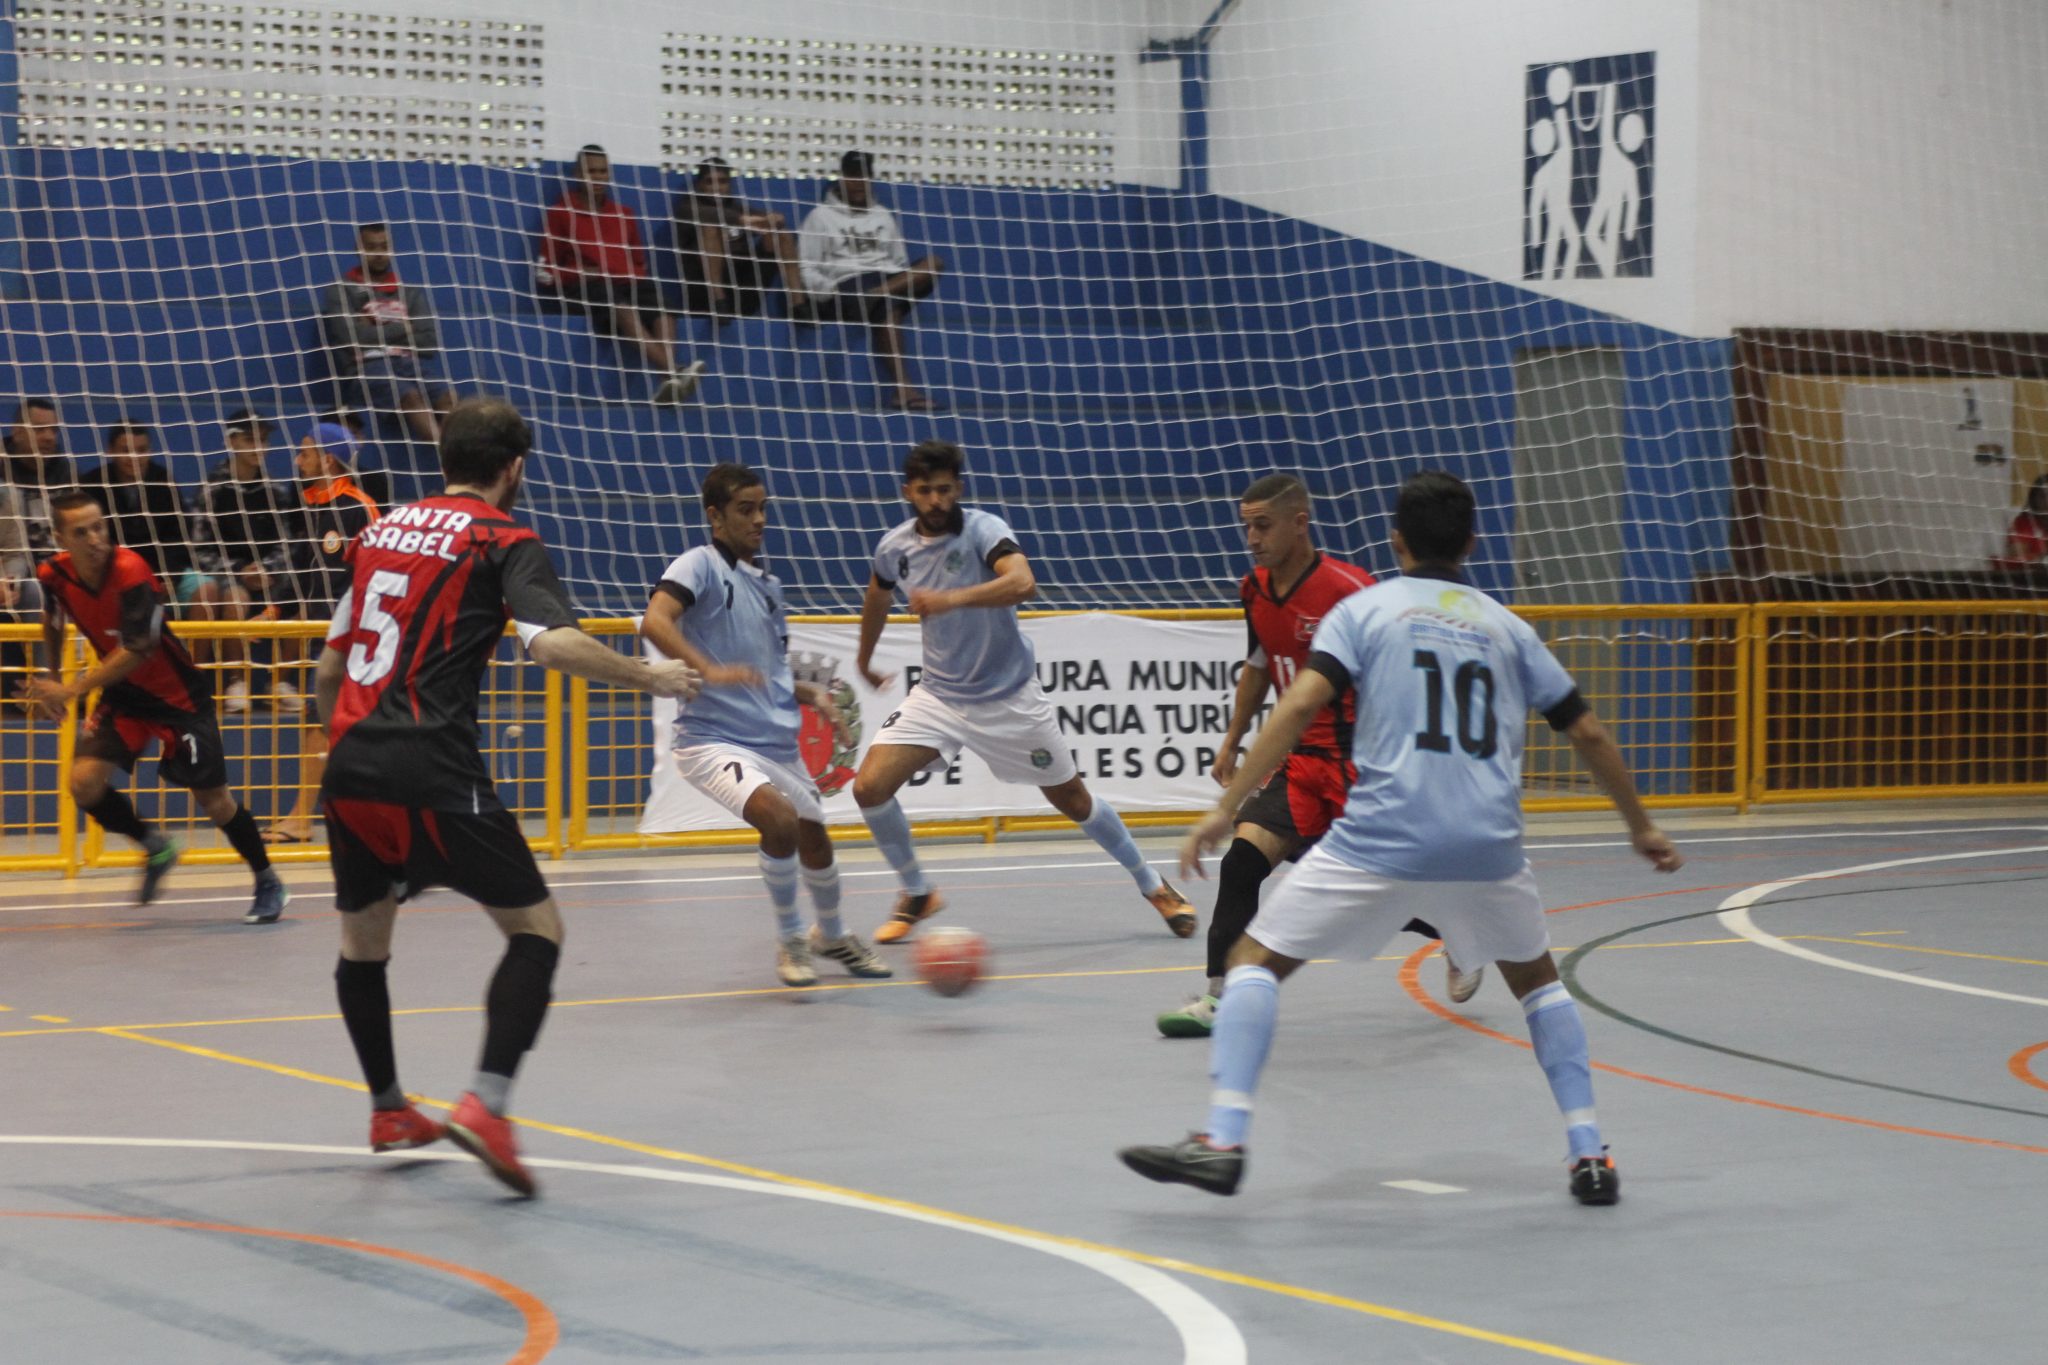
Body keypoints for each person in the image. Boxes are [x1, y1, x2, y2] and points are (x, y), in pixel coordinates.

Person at [1118, 472, 1683, 1206]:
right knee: (1538, 983)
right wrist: (1641, 825)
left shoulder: (1366, 609)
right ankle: (1590, 1151)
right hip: (1488, 847)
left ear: (1396, 540)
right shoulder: (1509, 628)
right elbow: (1589, 730)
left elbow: (1298, 705)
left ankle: (1223, 1139)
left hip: (1381, 834)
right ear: (1473, 544)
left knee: (1255, 959)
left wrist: (1225, 805)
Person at [313, 396, 700, 1195]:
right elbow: (552, 642)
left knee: (364, 945)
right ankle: (487, 1102)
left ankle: (389, 1107)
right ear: (513, 467)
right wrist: (647, 674)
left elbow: (327, 670)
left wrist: (349, 748)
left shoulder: (376, 534)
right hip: (434, 766)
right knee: (538, 931)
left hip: (349, 763)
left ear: (444, 458)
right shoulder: (504, 537)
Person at [1154, 474, 1478, 1041]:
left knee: (1367, 898)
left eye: (1263, 525)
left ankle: (1459, 930)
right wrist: (1232, 739)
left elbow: (1398, 674)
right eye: (1246, 526)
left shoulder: (1351, 590)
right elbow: (1258, 666)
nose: (1251, 537)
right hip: (1301, 763)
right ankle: (1217, 998)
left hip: (1362, 766)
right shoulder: (1254, 589)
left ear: (1300, 522)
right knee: (1242, 863)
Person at [853, 440, 1197, 944]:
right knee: (869, 787)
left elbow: (1022, 582)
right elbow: (877, 596)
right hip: (940, 697)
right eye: (925, 491)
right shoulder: (894, 547)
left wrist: (951, 599)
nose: (935, 501)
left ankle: (1153, 884)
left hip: (1009, 698)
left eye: (945, 490)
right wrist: (863, 660)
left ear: (959, 489)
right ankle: (917, 891)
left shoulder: (983, 530)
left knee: (1073, 799)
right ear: (909, 491)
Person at [641, 463, 890, 986]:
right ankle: (792, 939)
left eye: (763, 509)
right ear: (715, 516)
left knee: (814, 836)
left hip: (775, 742)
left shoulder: (770, 585)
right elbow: (655, 621)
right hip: (711, 740)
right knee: (777, 821)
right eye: (744, 510)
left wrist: (810, 694)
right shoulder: (699, 565)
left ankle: (833, 934)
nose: (758, 519)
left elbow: (770, 670)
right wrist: (707, 670)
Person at [19, 490, 288, 922]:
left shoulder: (131, 570)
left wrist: (69, 690)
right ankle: (155, 846)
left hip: (178, 698)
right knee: (83, 783)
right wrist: (50, 675)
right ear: (60, 536)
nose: (94, 539)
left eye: (99, 527)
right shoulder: (53, 575)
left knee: (216, 802)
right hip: (124, 697)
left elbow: (138, 649)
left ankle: (268, 879)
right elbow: (52, 619)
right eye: (81, 532)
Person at [264, 423, 379, 845]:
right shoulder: (311, 504)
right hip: (321, 635)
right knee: (326, 726)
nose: (297, 461)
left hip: (352, 638)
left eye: (305, 453)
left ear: (328, 460)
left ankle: (302, 818)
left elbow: (372, 574)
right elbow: (301, 565)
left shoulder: (359, 507)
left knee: (326, 726)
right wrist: (275, 609)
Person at [539, 144, 705, 405]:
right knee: (616, 300)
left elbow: (639, 261)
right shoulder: (561, 212)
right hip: (586, 287)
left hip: (626, 283)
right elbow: (545, 273)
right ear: (577, 174)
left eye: (603, 172)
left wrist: (627, 273)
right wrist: (581, 272)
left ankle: (670, 380)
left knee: (658, 299)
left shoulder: (623, 213)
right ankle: (672, 371)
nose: (598, 178)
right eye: (591, 172)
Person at [796, 150, 945, 411]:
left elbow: (899, 261)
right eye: (853, 176)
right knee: (889, 309)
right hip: (846, 285)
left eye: (864, 177)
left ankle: (877, 294)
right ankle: (904, 390)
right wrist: (827, 292)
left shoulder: (882, 215)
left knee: (934, 263)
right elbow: (805, 266)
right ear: (841, 178)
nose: (858, 183)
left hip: (883, 282)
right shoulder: (820, 216)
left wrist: (883, 287)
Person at [188, 408, 301, 709]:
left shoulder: (276, 490)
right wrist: (240, 570)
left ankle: (280, 681)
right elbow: (200, 549)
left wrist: (267, 569)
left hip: (268, 575)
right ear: (233, 442)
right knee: (236, 600)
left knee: (302, 597)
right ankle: (236, 682)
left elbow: (286, 543)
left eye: (263, 441)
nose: (259, 448)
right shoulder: (212, 489)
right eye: (251, 440)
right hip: (231, 576)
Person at [319, 221, 457, 446]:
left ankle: (465, 458)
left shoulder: (409, 292)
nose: (379, 254)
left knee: (448, 398)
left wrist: (372, 327)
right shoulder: (340, 289)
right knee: (411, 396)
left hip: (408, 365)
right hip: (366, 369)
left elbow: (429, 342)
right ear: (358, 248)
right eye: (372, 247)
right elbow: (349, 338)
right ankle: (450, 459)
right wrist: (402, 327)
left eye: (384, 247)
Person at [673, 157, 808, 324]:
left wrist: (773, 219)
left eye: (722, 181)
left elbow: (765, 219)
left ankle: (798, 305)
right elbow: (717, 217)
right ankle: (719, 301)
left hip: (743, 288)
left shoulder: (736, 208)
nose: (717, 188)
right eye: (710, 182)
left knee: (781, 234)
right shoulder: (687, 209)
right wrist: (743, 220)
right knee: (710, 228)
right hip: (704, 295)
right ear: (699, 185)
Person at [92, 420, 194, 587]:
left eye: (141, 450)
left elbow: (179, 535)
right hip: (111, 574)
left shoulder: (163, 480)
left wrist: (168, 576)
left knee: (205, 588)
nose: (134, 458)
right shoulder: (93, 484)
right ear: (110, 451)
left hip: (162, 571)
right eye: (126, 450)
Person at [5, 398, 84, 562]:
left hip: (61, 565)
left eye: (54, 430)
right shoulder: (2, 470)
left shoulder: (67, 473)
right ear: (17, 433)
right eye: (39, 429)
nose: (49, 437)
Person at [1991, 473, 2048, 570]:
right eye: (2042, 496)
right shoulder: (2024, 522)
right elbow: (2016, 555)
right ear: (2033, 499)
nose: (2047, 501)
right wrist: (2042, 558)